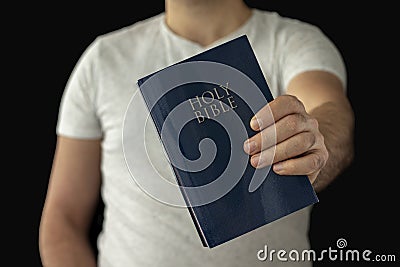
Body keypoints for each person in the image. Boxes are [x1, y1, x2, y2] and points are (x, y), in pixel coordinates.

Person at [39, 0, 354, 266]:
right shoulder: (102, 60)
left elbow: (327, 109)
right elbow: (63, 219)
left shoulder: (294, 42)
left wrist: (314, 141)